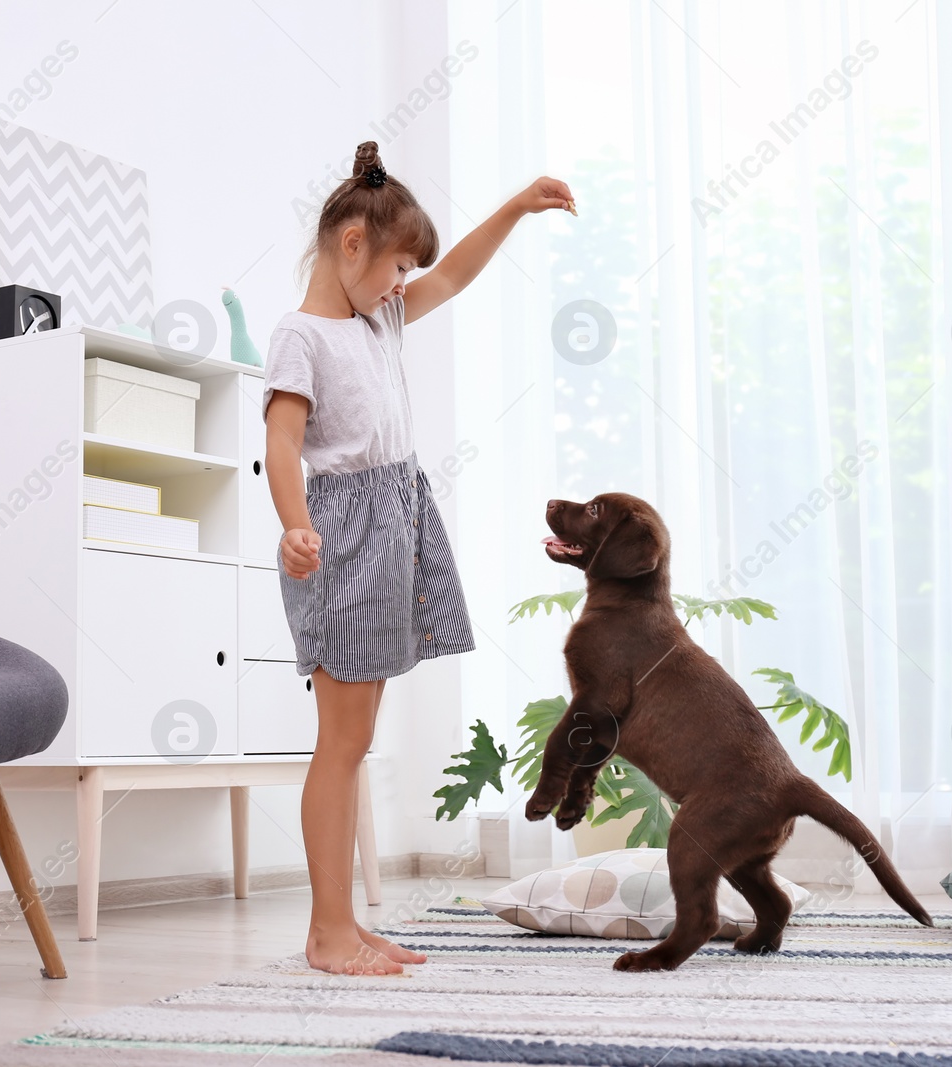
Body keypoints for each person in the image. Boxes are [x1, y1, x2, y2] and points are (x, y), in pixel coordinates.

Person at [262, 140, 575, 975]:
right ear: (352, 242)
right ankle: (328, 931)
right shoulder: (301, 336)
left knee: (356, 738)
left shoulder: (381, 316)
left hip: (394, 515)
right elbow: (283, 441)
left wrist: (513, 207)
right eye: (397, 263)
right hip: (340, 531)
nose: (406, 282)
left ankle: (342, 922)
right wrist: (295, 525)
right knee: (340, 740)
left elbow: (455, 275)